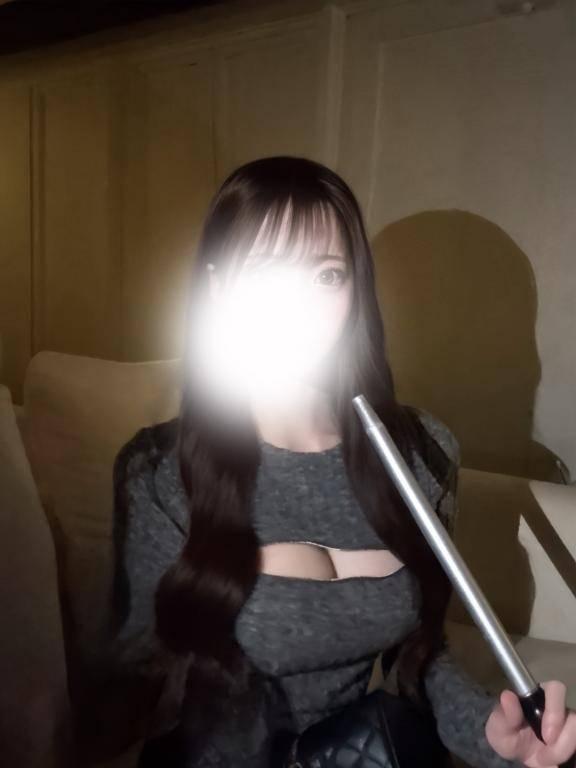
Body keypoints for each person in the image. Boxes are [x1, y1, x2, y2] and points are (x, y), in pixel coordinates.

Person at [104, 156, 575, 768]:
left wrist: (493, 736)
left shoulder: (422, 452)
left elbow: (420, 657)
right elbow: (129, 688)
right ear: (220, 289)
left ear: (356, 293)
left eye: (327, 276)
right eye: (268, 274)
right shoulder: (159, 472)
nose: (300, 306)